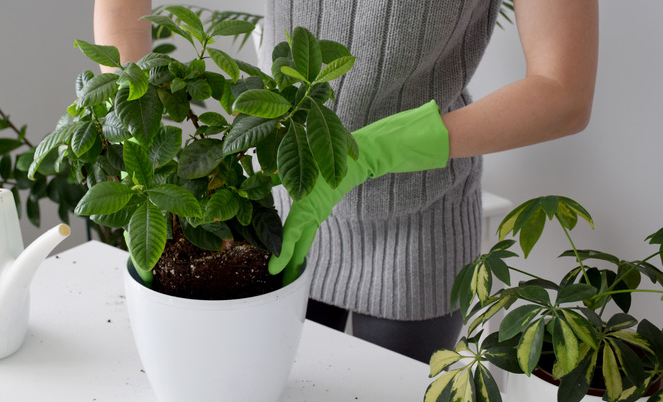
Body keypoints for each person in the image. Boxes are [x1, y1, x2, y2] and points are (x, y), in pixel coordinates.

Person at [94, 0, 599, 363]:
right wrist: (138, 130)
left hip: (421, 222)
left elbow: (562, 91)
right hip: (283, 209)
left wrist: (376, 151)